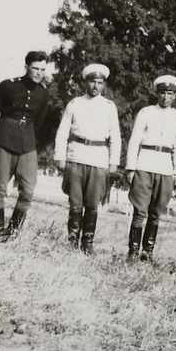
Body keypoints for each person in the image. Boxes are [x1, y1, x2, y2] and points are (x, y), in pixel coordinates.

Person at [0, 51, 51, 241]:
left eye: (42, 70)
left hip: (27, 143)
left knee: (28, 190)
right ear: (26, 67)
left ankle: (12, 232)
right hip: (3, 140)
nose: (39, 73)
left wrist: (33, 140)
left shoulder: (43, 93)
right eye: (35, 68)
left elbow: (40, 121)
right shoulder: (7, 86)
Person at [53, 63, 122, 254]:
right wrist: (60, 156)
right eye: (92, 82)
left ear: (104, 85)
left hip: (99, 159)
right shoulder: (75, 104)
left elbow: (115, 136)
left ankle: (87, 243)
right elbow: (63, 132)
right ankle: (72, 241)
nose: (95, 86)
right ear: (86, 82)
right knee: (75, 203)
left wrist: (113, 162)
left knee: (92, 204)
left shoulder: (109, 107)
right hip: (76, 157)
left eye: (100, 83)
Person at [125, 74, 176, 262]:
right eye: (162, 93)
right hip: (145, 164)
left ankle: (147, 251)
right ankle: (133, 251)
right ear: (156, 94)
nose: (165, 97)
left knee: (156, 212)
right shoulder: (146, 112)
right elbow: (134, 140)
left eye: (169, 94)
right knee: (140, 211)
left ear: (174, 96)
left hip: (165, 167)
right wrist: (130, 167)